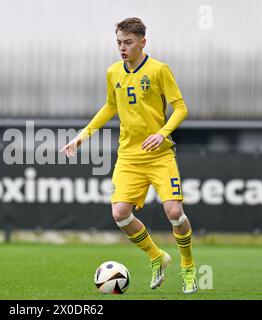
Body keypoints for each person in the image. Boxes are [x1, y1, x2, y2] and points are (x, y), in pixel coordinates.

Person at [60, 17, 197, 293]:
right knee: (120, 214)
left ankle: (188, 265)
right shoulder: (113, 72)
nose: (122, 48)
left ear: (142, 42)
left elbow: (181, 108)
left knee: (174, 211)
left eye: (128, 42)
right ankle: (157, 256)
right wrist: (82, 135)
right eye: (119, 42)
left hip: (159, 155)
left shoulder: (159, 69)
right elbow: (110, 106)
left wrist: (162, 132)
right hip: (129, 157)